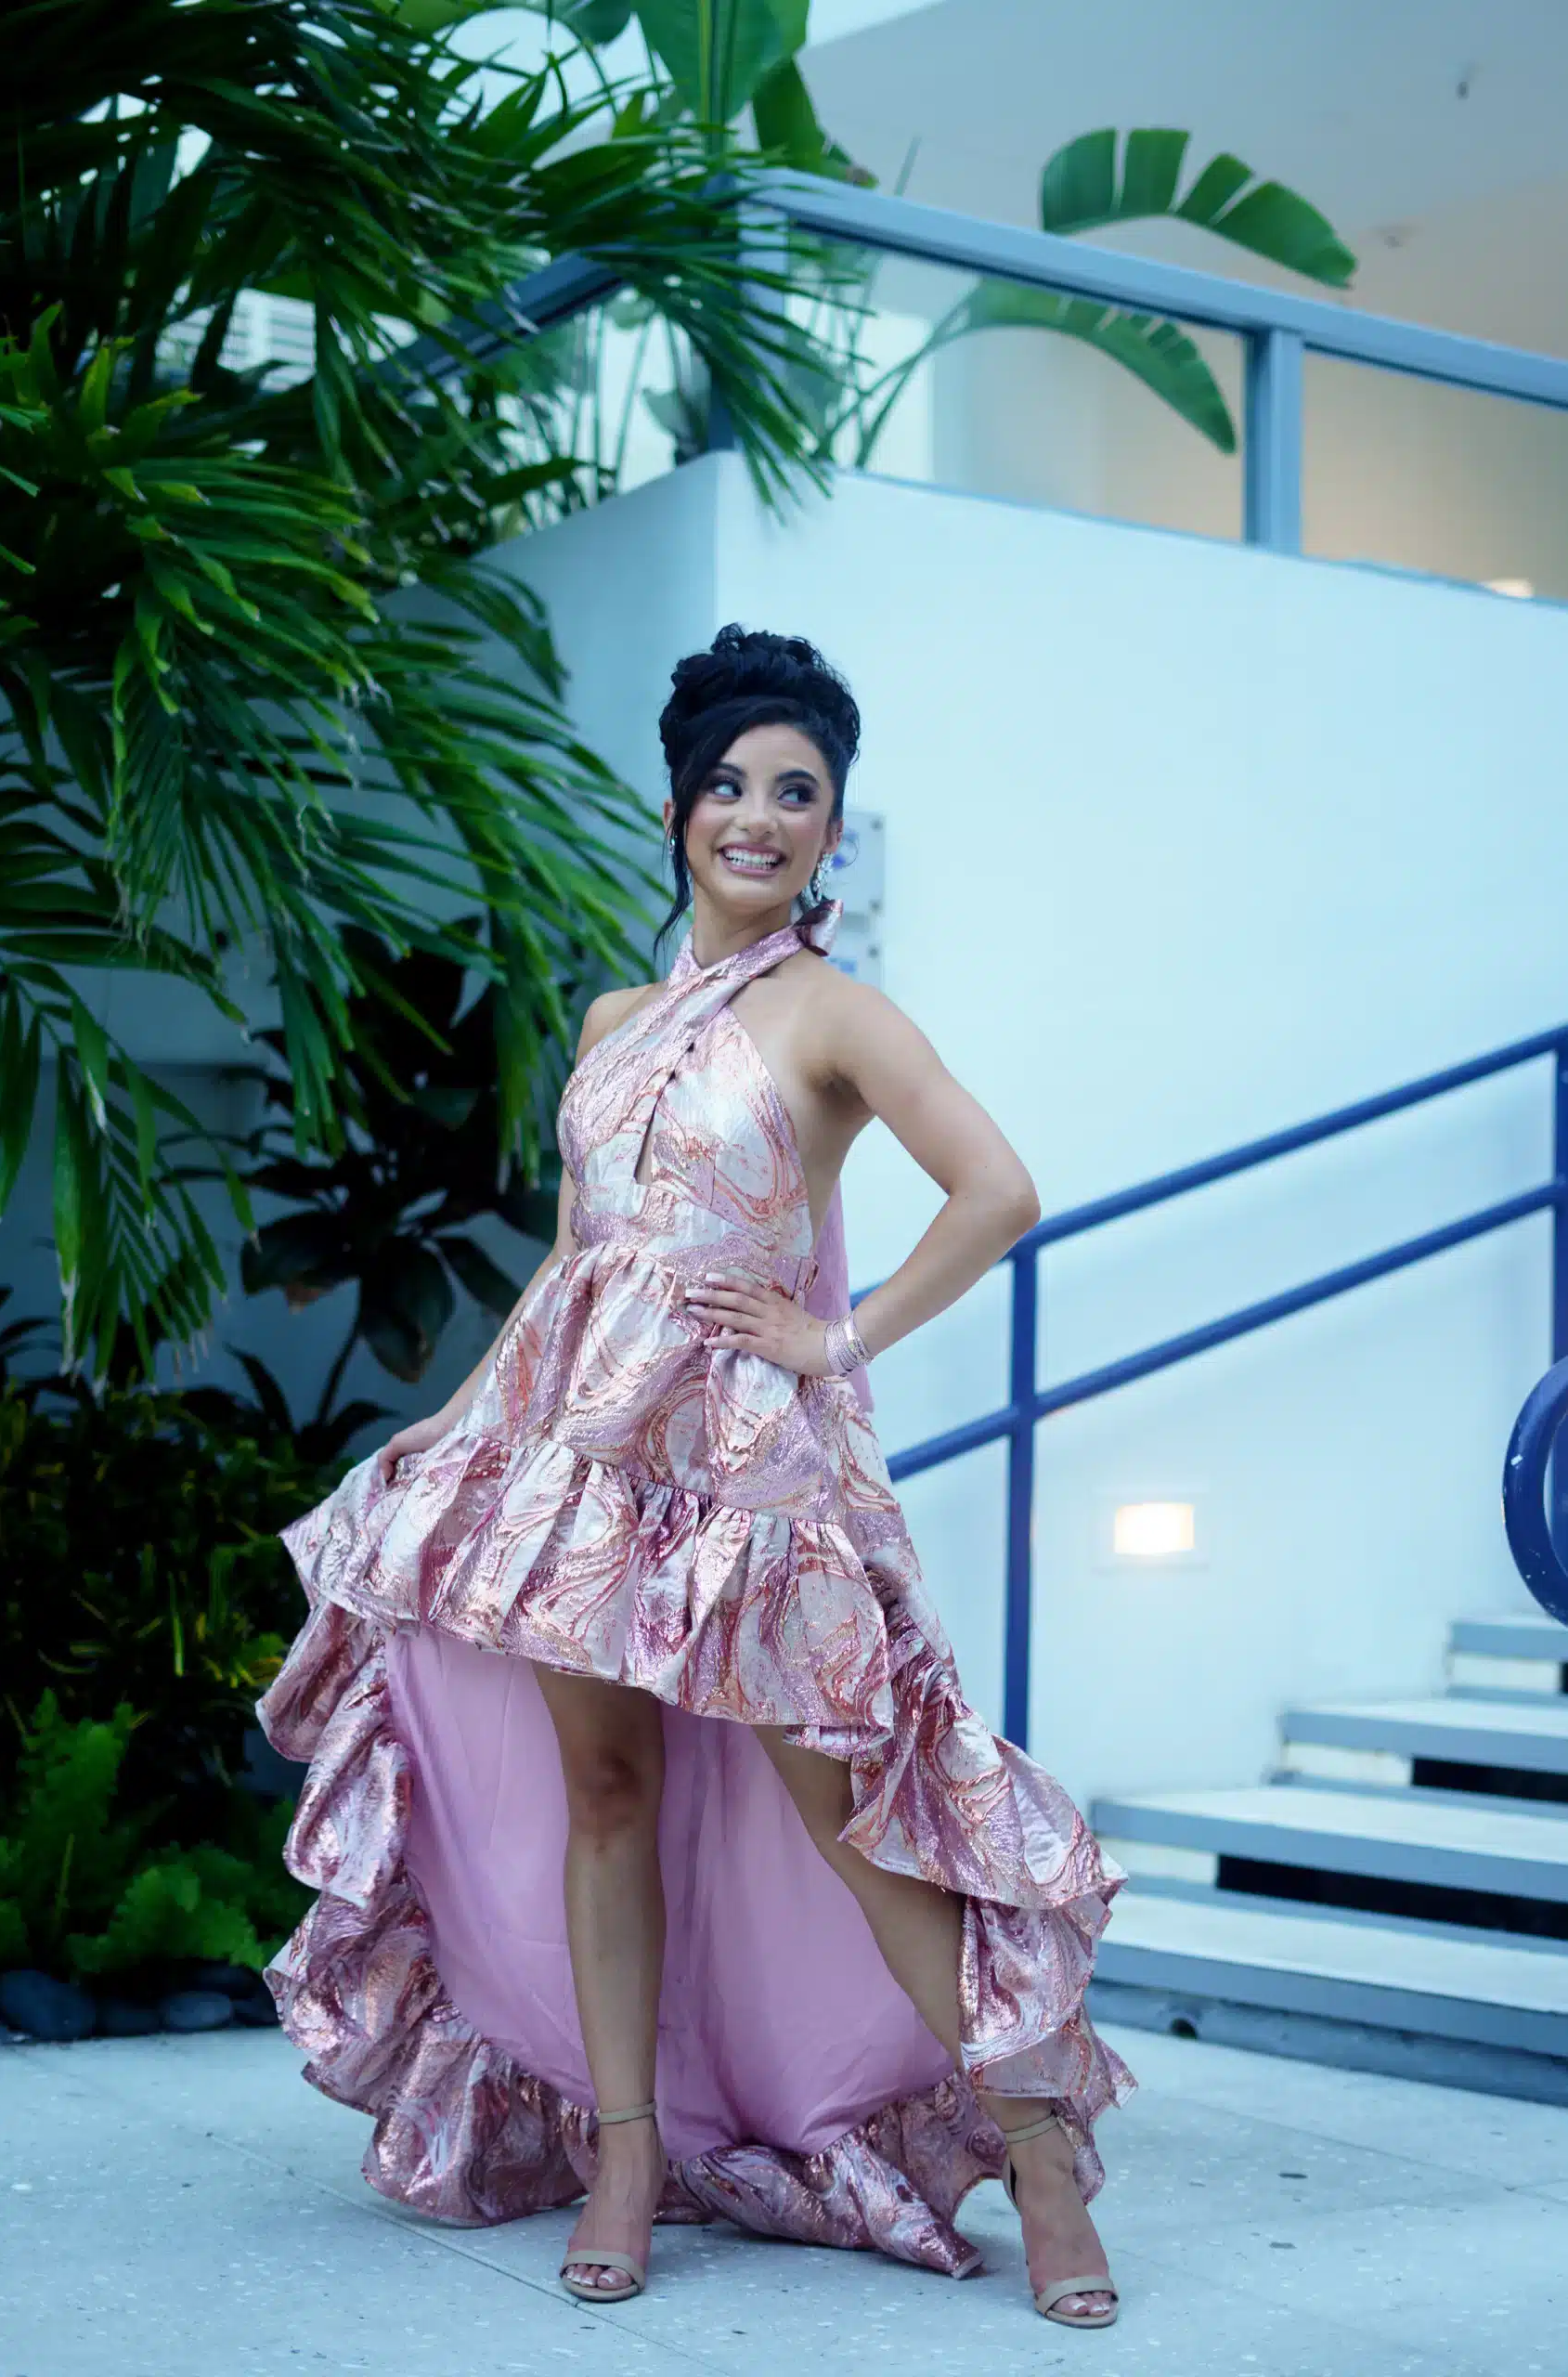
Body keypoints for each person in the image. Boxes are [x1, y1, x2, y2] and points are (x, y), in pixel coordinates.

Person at [257, 626, 1133, 2331]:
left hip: (745, 1477)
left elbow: (999, 1191)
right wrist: (461, 1417)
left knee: (854, 1816)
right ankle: (624, 2156)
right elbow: (579, 1254)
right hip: (582, 1465)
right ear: (676, 814)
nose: (757, 817)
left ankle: (1035, 2153)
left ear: (830, 831)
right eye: (727, 787)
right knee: (605, 1798)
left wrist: (833, 1338)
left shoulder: (836, 1014)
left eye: (796, 794)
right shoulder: (615, 1018)